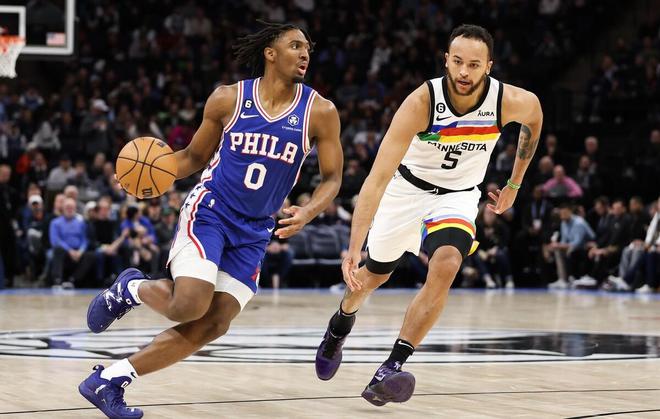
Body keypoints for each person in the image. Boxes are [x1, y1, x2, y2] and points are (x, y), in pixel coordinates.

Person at [79, 21, 343, 419]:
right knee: (188, 304)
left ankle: (110, 380)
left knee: (214, 323)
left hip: (255, 231)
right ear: (270, 53)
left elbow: (333, 178)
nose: (305, 53)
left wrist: (308, 211)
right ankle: (131, 288)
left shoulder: (320, 111)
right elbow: (192, 157)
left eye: (307, 47)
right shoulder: (228, 99)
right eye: (295, 45)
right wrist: (145, 176)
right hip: (211, 212)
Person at [315, 24, 542, 405]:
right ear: (446, 61)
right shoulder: (421, 102)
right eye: (457, 62)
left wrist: (515, 184)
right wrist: (354, 247)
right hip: (405, 191)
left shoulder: (508, 101)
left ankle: (391, 367)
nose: (464, 72)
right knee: (372, 277)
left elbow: (534, 120)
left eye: (474, 64)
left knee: (448, 262)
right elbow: (376, 179)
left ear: (489, 66)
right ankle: (339, 327)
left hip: (458, 196)